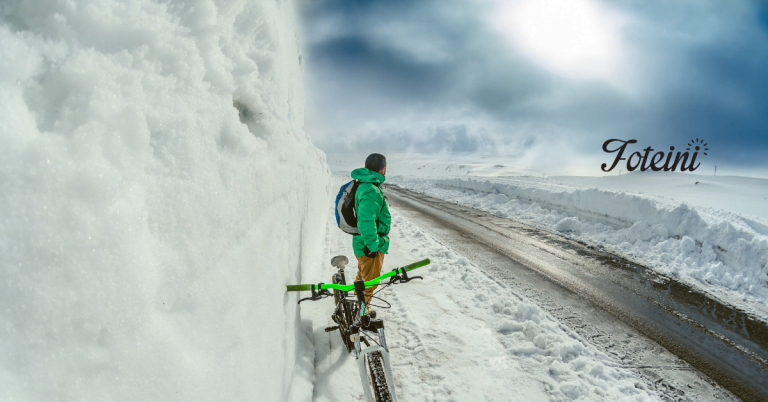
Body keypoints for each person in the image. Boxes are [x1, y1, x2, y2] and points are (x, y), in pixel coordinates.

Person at [351, 153, 391, 312]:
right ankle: (361, 317)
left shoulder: (366, 185)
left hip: (364, 242)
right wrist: (373, 245)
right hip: (369, 245)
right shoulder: (370, 190)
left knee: (362, 279)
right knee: (369, 284)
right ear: (382, 169)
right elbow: (366, 220)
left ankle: (357, 309)